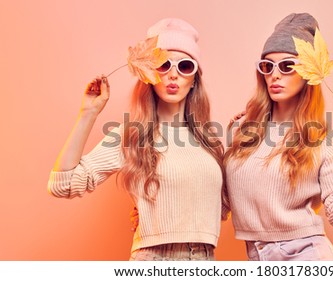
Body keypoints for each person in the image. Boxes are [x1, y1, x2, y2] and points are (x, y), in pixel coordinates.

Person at [47, 18, 226, 261]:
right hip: (154, 259)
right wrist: (87, 114)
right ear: (149, 75)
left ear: (194, 79)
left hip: (205, 259)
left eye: (184, 66)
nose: (173, 74)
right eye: (163, 65)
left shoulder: (209, 142)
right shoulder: (132, 135)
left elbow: (223, 205)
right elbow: (63, 185)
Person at [223, 13, 333, 261]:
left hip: (307, 258)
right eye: (267, 66)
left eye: (287, 66)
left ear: (307, 74)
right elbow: (220, 202)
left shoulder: (322, 139)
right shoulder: (243, 133)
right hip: (256, 258)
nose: (275, 75)